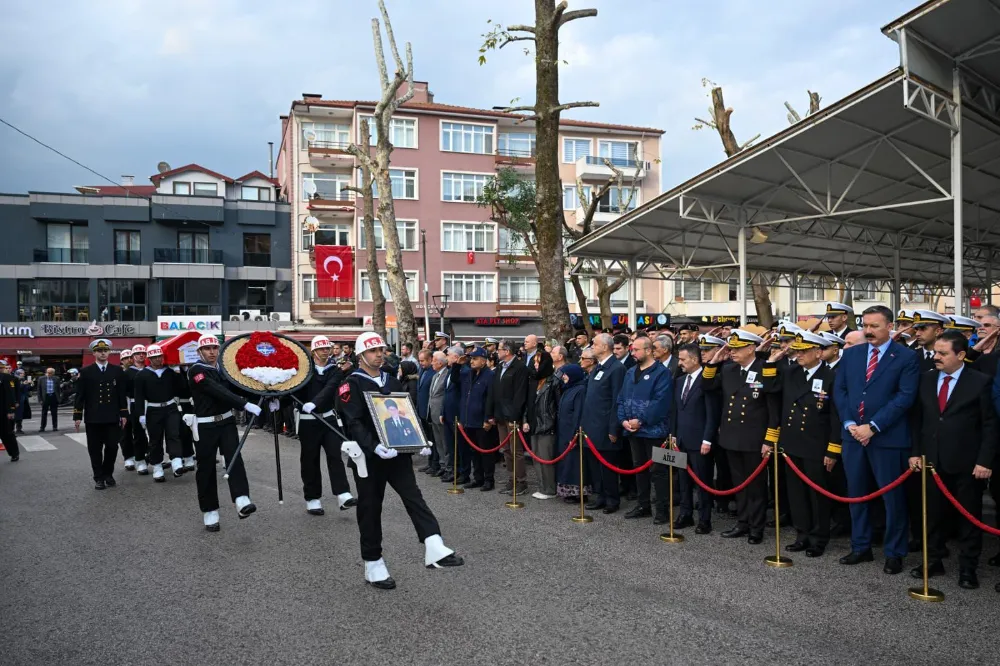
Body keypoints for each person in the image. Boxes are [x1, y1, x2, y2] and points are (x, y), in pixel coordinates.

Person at [338, 331, 463, 589]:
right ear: (361, 355)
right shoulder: (351, 383)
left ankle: (433, 544)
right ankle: (373, 562)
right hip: (369, 457)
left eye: (381, 350)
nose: (379, 355)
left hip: (398, 453)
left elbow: (406, 412)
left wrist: (420, 440)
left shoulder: (392, 381)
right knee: (370, 508)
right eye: (373, 351)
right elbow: (354, 423)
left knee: (414, 497)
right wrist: (373, 447)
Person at [833, 305, 919, 575]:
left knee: (892, 498)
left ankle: (894, 552)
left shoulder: (906, 357)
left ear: (890, 326)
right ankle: (861, 547)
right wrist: (850, 424)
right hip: (853, 437)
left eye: (875, 326)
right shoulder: (852, 354)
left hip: (887, 438)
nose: (868, 331)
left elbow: (904, 397)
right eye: (865, 325)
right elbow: (841, 390)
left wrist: (873, 426)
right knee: (856, 494)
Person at [912, 331, 995, 589]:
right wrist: (915, 452)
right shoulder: (926, 379)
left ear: (960, 355)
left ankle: (968, 569)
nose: (936, 357)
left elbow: (990, 425)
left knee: (969, 519)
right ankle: (933, 560)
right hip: (932, 462)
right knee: (932, 516)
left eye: (943, 353)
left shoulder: (980, 382)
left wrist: (985, 461)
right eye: (936, 352)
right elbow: (918, 421)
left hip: (967, 465)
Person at [701, 330, 780, 545]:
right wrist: (713, 363)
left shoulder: (765, 369)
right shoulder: (728, 370)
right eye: (731, 348)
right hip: (731, 435)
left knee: (756, 486)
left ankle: (756, 527)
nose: (732, 352)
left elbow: (774, 408)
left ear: (752, 348)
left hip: (755, 438)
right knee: (739, 484)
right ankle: (743, 522)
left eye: (737, 348)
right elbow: (707, 386)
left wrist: (770, 438)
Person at [766, 331, 841, 558]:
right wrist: (771, 361)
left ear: (818, 353)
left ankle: (819, 538)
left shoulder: (831, 376)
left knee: (817, 494)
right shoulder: (791, 372)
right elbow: (770, 388)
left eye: (804, 351)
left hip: (816, 444)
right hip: (792, 443)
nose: (798, 355)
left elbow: (836, 415)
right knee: (796, 493)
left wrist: (833, 448)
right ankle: (802, 534)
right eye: (797, 351)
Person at [187, 334, 267, 532]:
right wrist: (244, 405)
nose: (212, 352)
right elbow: (215, 390)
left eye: (214, 347)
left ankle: (241, 499)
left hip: (226, 422)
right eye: (207, 349)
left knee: (234, 459)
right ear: (199, 352)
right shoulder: (196, 370)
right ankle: (210, 510)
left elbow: (239, 386)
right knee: (206, 468)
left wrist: (265, 395)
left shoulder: (224, 370)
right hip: (205, 425)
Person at [294, 335, 357, 515]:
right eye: (321, 349)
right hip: (308, 422)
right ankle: (312, 498)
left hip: (328, 418)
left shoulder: (334, 370)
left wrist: (314, 403)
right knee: (309, 460)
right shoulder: (304, 370)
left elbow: (330, 388)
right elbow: (293, 388)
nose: (325, 351)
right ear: (313, 351)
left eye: (327, 348)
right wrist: (279, 400)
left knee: (334, 456)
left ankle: (343, 493)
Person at [617, 337, 673, 520]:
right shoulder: (630, 372)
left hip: (654, 431)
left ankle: (663, 510)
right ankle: (643, 506)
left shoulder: (661, 373)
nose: (633, 353)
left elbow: (661, 402)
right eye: (632, 350)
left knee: (659, 470)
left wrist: (641, 420)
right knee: (638, 468)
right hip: (633, 431)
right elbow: (622, 398)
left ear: (649, 351)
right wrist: (623, 420)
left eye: (636, 350)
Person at [672, 343, 719, 532]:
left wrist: (707, 439)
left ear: (694, 359)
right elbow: (675, 410)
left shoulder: (707, 380)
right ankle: (685, 514)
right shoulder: (679, 381)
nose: (680, 363)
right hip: (681, 438)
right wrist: (673, 435)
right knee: (683, 480)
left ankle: (705, 519)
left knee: (702, 481)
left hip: (700, 441)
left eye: (683, 359)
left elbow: (712, 413)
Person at [73, 339, 128, 489]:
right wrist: (77, 416)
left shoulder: (117, 370)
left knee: (112, 447)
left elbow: (121, 394)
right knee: (95, 449)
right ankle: (99, 477)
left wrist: (124, 413)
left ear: (109, 352)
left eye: (105, 350)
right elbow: (80, 395)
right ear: (94, 353)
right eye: (99, 351)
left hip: (112, 415)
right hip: (93, 417)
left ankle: (108, 473)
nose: (103, 353)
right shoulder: (85, 372)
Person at [581, 333, 626, 514]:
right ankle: (600, 496)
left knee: (607, 466)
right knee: (595, 465)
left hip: (605, 426)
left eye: (595, 344)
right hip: (591, 426)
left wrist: (613, 427)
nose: (592, 346)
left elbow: (617, 400)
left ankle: (612, 499)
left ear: (605, 347)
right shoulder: (599, 367)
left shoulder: (616, 368)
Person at [134, 343, 186, 482]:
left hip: (170, 407)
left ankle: (176, 461)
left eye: (160, 356)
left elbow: (182, 389)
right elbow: (139, 396)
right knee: (155, 439)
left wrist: (178, 372)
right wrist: (141, 414)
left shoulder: (169, 372)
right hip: (153, 409)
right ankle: (157, 466)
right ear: (149, 359)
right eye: (155, 357)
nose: (158, 359)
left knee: (174, 434)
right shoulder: (142, 375)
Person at [490, 339, 529, 495]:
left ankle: (521, 481)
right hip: (500, 415)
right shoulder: (500, 367)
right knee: (506, 449)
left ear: (507, 351)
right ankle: (511, 478)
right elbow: (495, 392)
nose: (497, 352)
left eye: (499, 349)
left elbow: (520, 394)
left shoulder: (519, 368)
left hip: (512, 416)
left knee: (516, 450)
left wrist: (515, 415)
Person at [458, 347, 495, 491]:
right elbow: (458, 384)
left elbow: (490, 398)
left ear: (484, 360)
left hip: (481, 420)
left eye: (475, 358)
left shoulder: (489, 375)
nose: (471, 361)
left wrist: (488, 418)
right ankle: (478, 478)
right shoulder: (469, 374)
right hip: (469, 419)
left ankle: (488, 479)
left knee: (485, 452)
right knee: (474, 452)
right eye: (471, 359)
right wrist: (458, 365)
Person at [525, 350, 559, 499]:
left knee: (546, 459)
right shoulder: (533, 380)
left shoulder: (553, 381)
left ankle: (550, 489)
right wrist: (525, 420)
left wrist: (552, 422)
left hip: (547, 426)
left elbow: (557, 405)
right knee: (536, 458)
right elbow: (528, 403)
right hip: (534, 424)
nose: (536, 365)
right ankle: (541, 486)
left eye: (539, 362)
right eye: (535, 362)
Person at [555, 364, 589, 501]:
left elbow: (578, 413)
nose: (563, 377)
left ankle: (579, 493)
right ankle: (568, 491)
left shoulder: (580, 390)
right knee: (567, 462)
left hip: (572, 431)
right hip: (564, 430)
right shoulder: (569, 389)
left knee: (575, 464)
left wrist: (575, 433)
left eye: (566, 374)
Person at [125, 344, 150, 474]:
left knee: (155, 433)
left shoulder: (150, 369)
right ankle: (140, 461)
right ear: (133, 357)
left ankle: (155, 458)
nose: (141, 355)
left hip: (151, 403)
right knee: (139, 434)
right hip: (135, 405)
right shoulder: (128, 373)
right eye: (138, 353)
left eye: (143, 353)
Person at [427, 351, 451, 480]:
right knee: (438, 442)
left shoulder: (447, 374)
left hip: (441, 414)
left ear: (441, 362)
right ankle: (442, 465)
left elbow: (445, 396)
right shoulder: (435, 376)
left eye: (434, 360)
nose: (432, 363)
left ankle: (448, 467)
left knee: (445, 441)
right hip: (433, 412)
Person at [415, 350, 438, 475]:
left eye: (423, 361)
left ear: (430, 359)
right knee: (428, 439)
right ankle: (430, 463)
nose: (421, 363)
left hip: (430, 411)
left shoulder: (434, 372)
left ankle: (435, 464)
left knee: (434, 439)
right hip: (422, 410)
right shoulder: (422, 370)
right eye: (419, 361)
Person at [0, 361, 20, 462]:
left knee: (7, 433)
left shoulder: (6, 378)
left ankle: (14, 453)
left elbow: (10, 395)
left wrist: (10, 410)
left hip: (3, 410)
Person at [37, 366, 60, 432]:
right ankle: (42, 427)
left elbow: (58, 389)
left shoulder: (56, 379)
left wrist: (59, 398)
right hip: (45, 397)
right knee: (44, 413)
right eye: (47, 372)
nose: (48, 374)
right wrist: (40, 399)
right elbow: (39, 390)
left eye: (50, 373)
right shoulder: (41, 379)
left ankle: (55, 427)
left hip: (53, 397)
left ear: (53, 373)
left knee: (54, 413)